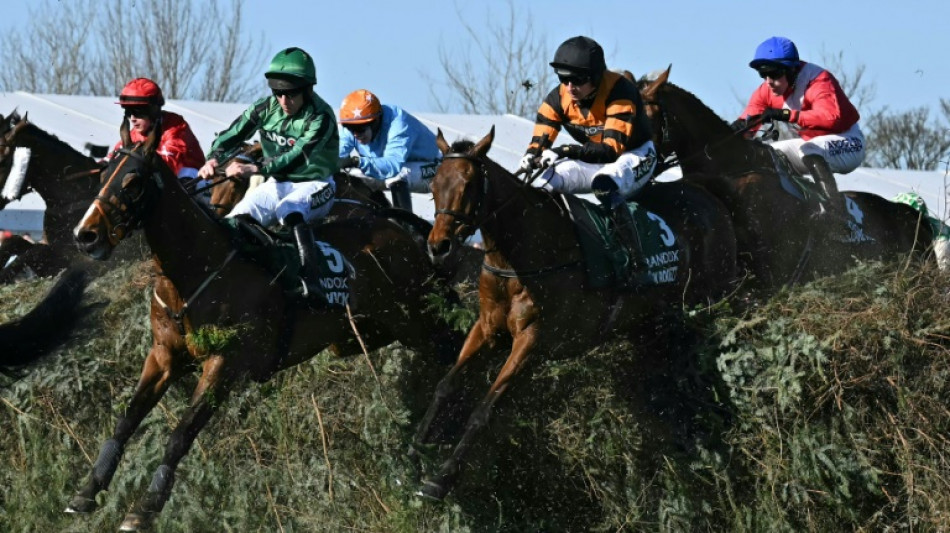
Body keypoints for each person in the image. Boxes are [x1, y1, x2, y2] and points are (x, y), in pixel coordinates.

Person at [197, 47, 340, 302]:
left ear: (307, 89)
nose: (283, 101)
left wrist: (256, 168)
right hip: (278, 183)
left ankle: (311, 280)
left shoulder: (321, 116)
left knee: (289, 210)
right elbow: (232, 134)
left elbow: (297, 155)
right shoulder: (264, 108)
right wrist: (213, 158)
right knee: (236, 219)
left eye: (291, 94)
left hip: (316, 183)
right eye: (277, 92)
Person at [518, 35, 657, 286]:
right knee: (542, 183)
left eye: (578, 80)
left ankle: (637, 265)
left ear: (596, 76)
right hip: (593, 157)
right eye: (563, 79)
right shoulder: (558, 98)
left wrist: (564, 151)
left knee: (604, 184)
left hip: (634, 155)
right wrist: (531, 156)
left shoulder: (620, 91)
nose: (570, 87)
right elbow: (540, 139)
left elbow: (610, 151)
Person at [734, 36, 865, 219]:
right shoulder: (766, 91)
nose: (768, 81)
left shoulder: (818, 81)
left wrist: (787, 114)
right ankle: (795, 206)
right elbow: (747, 125)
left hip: (849, 143)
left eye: (774, 74)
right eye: (763, 75)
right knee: (770, 153)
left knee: (810, 149)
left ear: (791, 70)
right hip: (813, 146)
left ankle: (835, 214)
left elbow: (831, 118)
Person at [337, 89, 441, 212]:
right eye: (350, 128)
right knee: (351, 178)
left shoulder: (399, 123)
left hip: (434, 169)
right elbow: (335, 155)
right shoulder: (352, 127)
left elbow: (392, 166)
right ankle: (377, 216)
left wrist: (356, 161)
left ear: (375, 121)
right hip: (396, 168)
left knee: (397, 175)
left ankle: (405, 222)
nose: (355, 134)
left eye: (360, 129)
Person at [109, 78, 206, 192]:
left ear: (153, 110)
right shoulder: (135, 134)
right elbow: (113, 159)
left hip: (194, 179)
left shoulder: (175, 126)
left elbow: (166, 165)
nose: (132, 119)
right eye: (128, 112)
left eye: (137, 112)